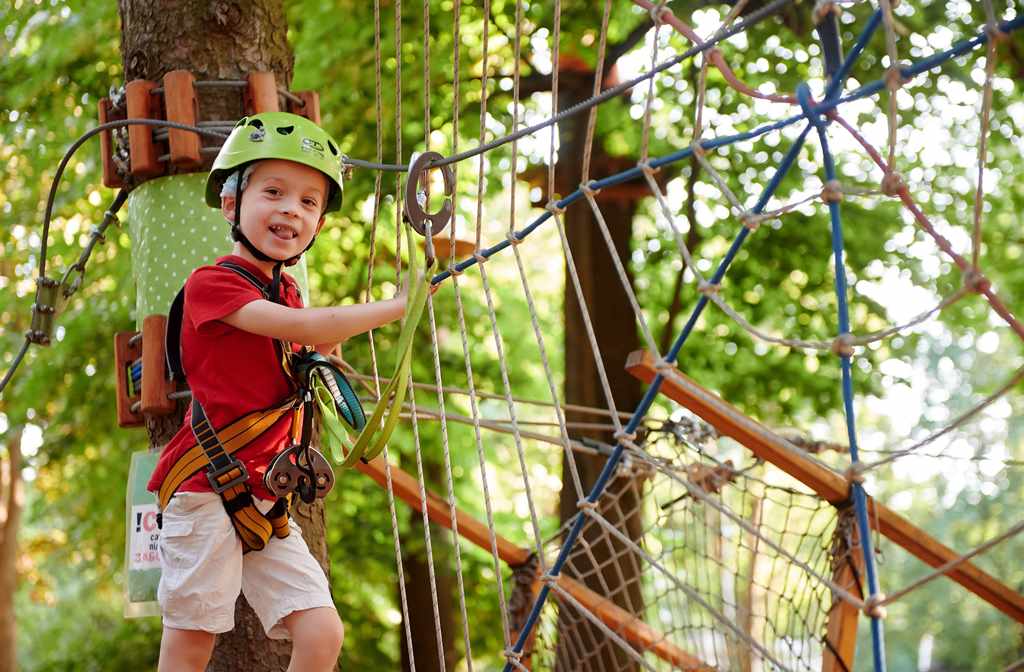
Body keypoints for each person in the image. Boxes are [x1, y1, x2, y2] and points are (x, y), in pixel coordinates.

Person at [147, 111, 423, 672]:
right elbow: (301, 330)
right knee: (192, 641)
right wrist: (402, 305)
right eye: (273, 192)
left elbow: (306, 345)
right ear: (231, 204)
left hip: (264, 495)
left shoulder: (291, 293)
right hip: (206, 489)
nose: (290, 210)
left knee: (321, 633)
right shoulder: (212, 284)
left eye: (308, 202)